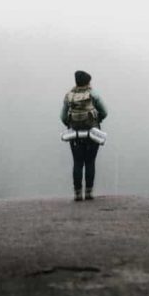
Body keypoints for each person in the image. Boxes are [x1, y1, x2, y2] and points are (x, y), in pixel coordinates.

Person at [60, 70, 108, 201]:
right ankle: (88, 192)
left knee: (77, 162)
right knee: (90, 162)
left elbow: (63, 117)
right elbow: (104, 112)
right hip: (92, 133)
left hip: (75, 135)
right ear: (88, 82)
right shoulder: (93, 94)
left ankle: (77, 193)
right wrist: (97, 120)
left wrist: (70, 124)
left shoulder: (69, 96)